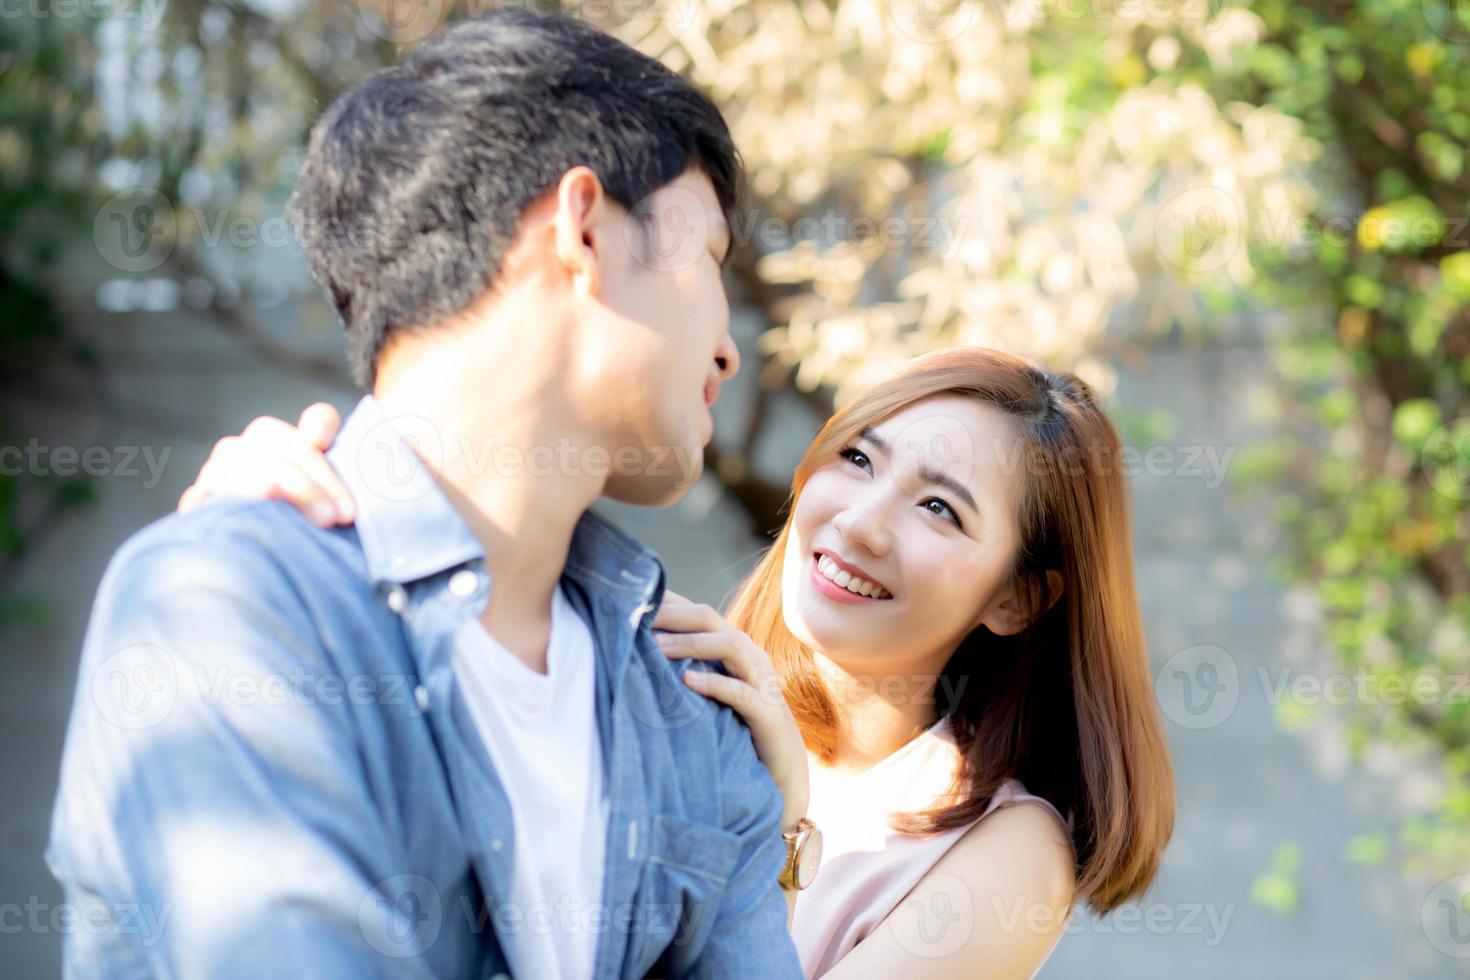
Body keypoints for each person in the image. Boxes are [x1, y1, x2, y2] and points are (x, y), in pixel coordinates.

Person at [47, 10, 805, 978]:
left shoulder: (693, 717)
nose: (733, 345)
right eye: (710, 261)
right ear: (581, 229)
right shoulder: (232, 604)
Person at [182, 346, 1177, 977]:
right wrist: (260, 535)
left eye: (937, 507)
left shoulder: (1008, 851)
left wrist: (781, 822)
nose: (860, 522)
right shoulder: (659, 672)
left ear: (1017, 595)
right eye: (859, 458)